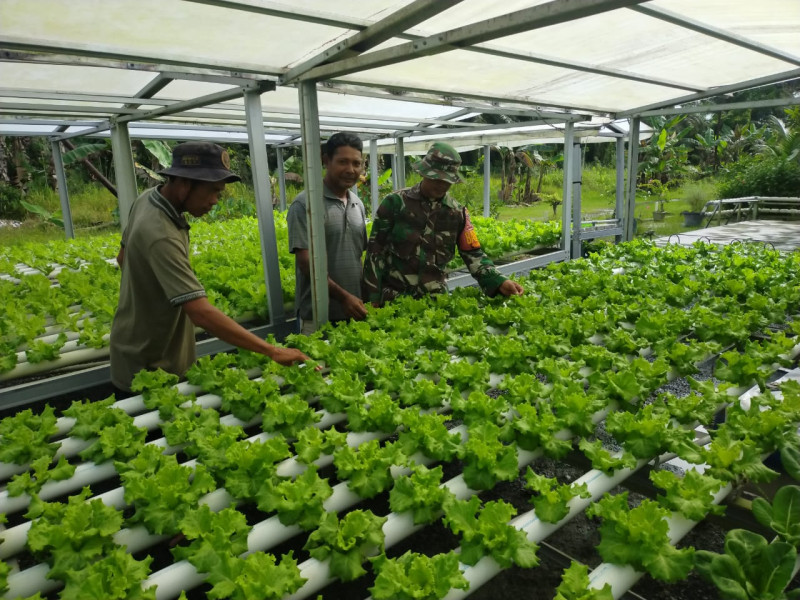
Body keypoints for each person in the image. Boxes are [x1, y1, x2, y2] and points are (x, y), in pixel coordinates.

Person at [110, 141, 309, 392]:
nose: (216, 201)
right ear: (184, 184)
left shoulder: (147, 199)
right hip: (150, 363)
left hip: (136, 345)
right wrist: (272, 350)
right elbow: (200, 312)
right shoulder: (161, 234)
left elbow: (123, 258)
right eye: (213, 191)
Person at [363, 142, 524, 306]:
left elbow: (473, 254)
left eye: (447, 180)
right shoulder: (395, 203)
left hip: (435, 302)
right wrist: (373, 299)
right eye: (436, 178)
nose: (441, 185)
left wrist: (498, 280)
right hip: (393, 299)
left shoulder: (457, 213)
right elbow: (375, 252)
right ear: (424, 173)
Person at [287, 132, 368, 334]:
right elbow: (306, 263)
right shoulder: (305, 204)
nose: (351, 170)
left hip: (354, 312)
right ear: (326, 161)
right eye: (343, 162)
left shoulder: (357, 204)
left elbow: (358, 257)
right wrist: (343, 297)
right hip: (318, 316)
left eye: (357, 163)